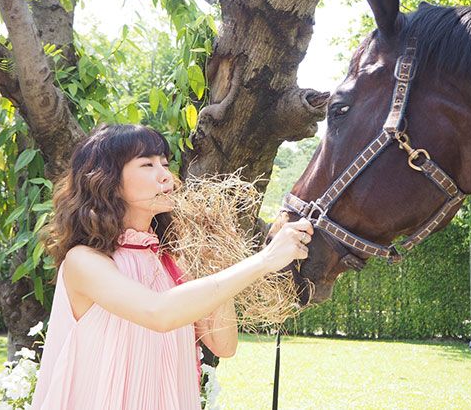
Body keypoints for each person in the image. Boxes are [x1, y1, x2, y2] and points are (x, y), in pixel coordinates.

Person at [30, 124, 312, 410]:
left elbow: (224, 345)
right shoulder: (83, 261)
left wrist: (214, 262)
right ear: (107, 180)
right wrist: (264, 260)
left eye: (165, 164)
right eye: (147, 164)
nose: (166, 175)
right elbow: (159, 312)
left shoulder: (172, 259)